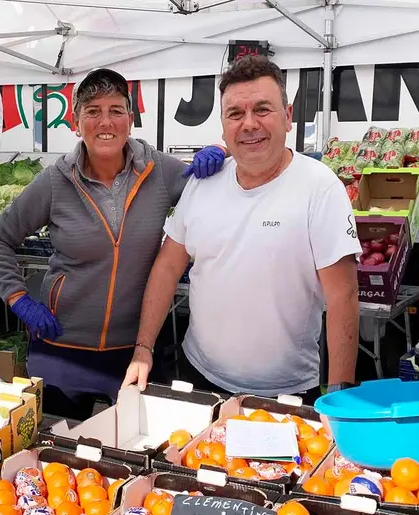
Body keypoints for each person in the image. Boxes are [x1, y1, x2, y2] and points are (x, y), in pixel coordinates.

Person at [0, 68, 227, 420]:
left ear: (130, 119)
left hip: (134, 350)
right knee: (60, 450)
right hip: (61, 349)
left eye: (116, 110)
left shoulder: (159, 171)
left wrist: (218, 153)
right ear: (75, 121)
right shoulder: (55, 181)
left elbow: (224, 184)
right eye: (92, 111)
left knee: (139, 448)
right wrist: (19, 299)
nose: (105, 121)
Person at [122, 56, 361, 402]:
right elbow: (167, 267)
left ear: (288, 117)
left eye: (262, 109)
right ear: (222, 125)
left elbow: (343, 296)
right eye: (235, 113)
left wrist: (340, 393)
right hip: (199, 377)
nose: (249, 124)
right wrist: (143, 347)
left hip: (286, 393)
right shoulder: (203, 184)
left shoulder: (320, 188)